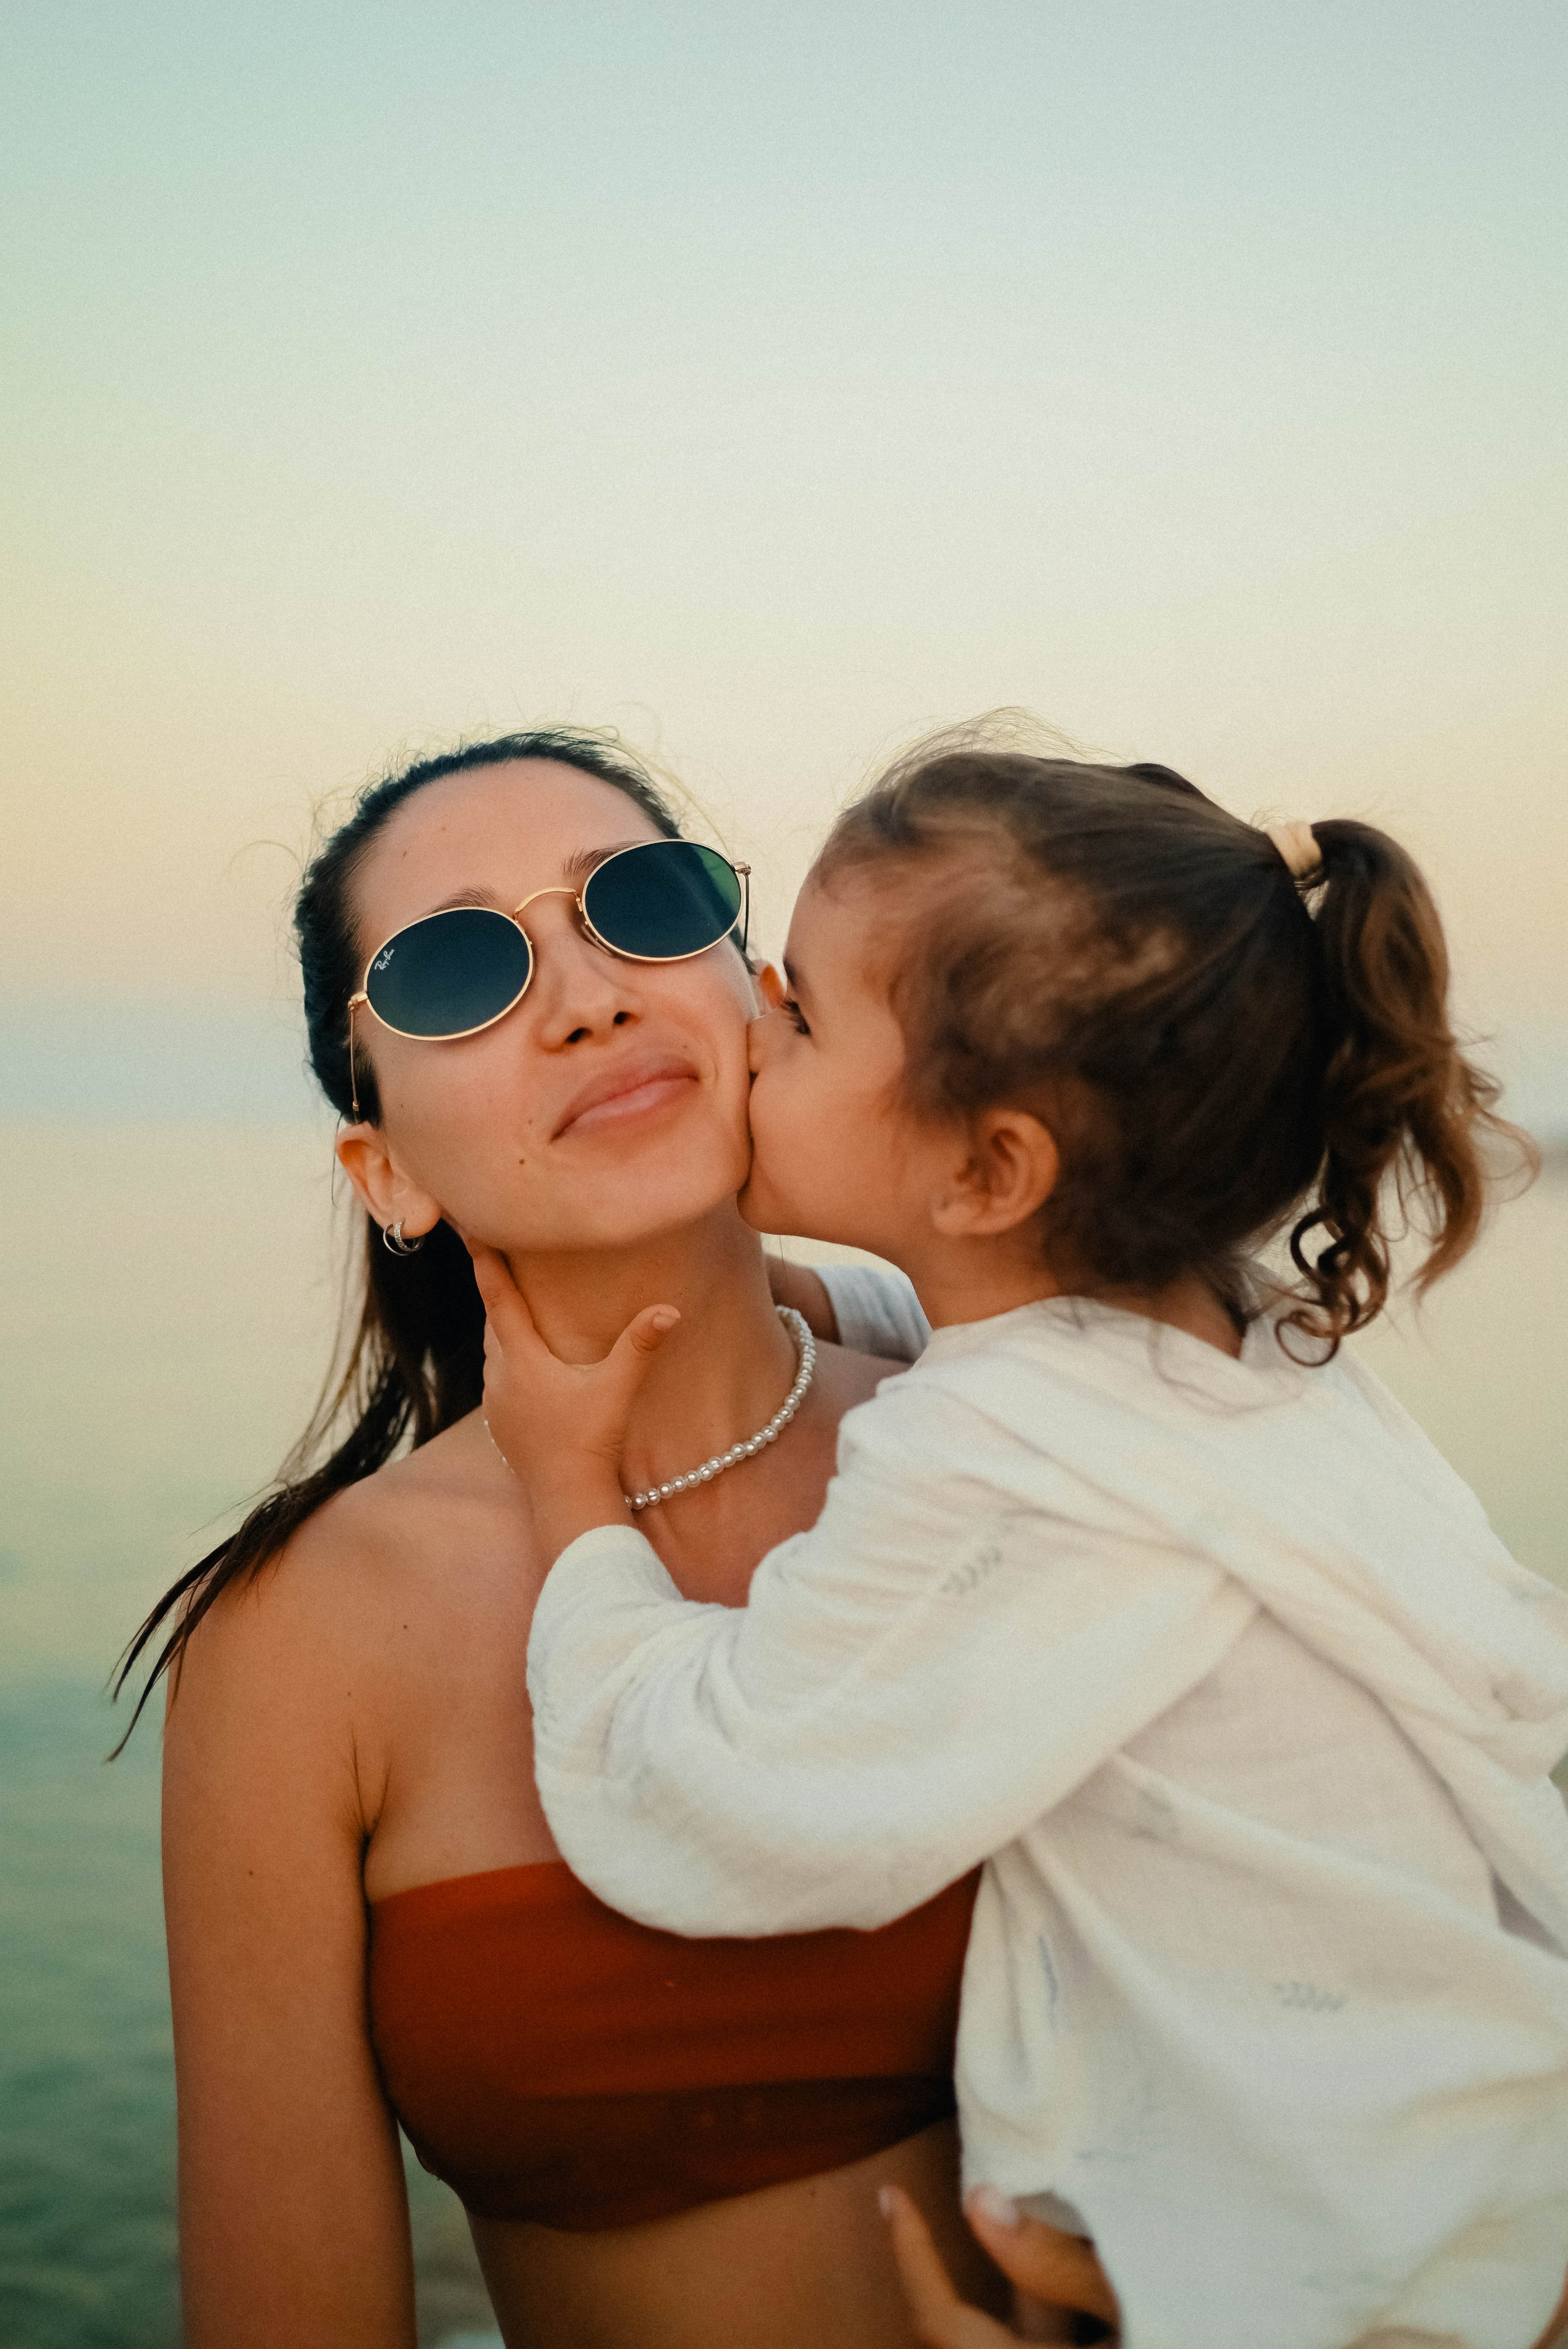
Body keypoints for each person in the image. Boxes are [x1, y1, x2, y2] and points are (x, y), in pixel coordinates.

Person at [474, 735, 1568, 2349]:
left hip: (1353, 2278)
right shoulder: (1241, 1348)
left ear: (991, 1169)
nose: (755, 1026)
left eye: (806, 1011)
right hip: (1470, 2157)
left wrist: (569, 1494)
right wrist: (826, 1299)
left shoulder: (998, 1461)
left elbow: (732, 1792)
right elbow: (1003, 1343)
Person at [119, 728, 1119, 2349]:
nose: (587, 995)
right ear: (385, 1173)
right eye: (458, 968)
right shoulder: (303, 1641)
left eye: (643, 904)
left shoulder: (1028, 1451)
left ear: (758, 1000)